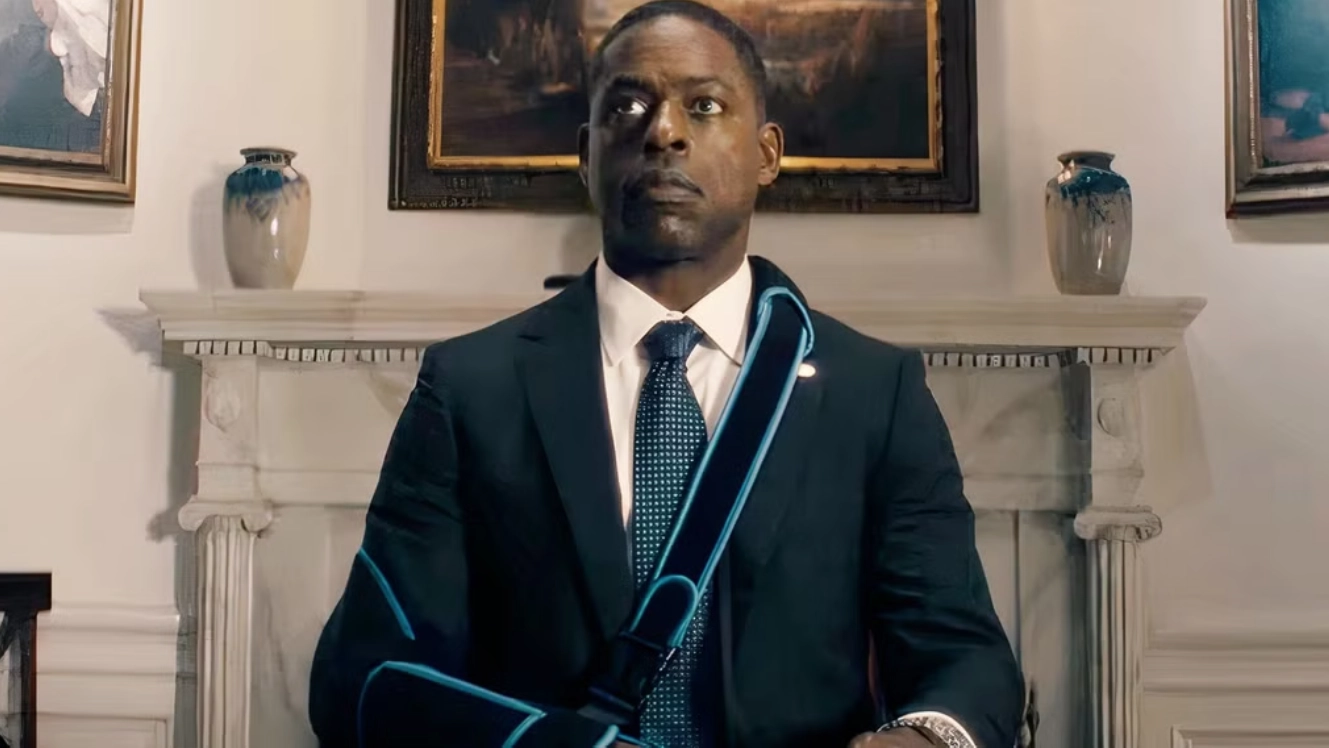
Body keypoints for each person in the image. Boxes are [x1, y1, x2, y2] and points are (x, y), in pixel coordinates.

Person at [308, 2, 1024, 746]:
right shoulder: (469, 387)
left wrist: (924, 738)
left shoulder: (875, 393)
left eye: (705, 106)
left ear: (767, 154)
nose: (663, 132)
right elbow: (367, 675)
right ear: (586, 155)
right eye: (627, 106)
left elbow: (964, 658)